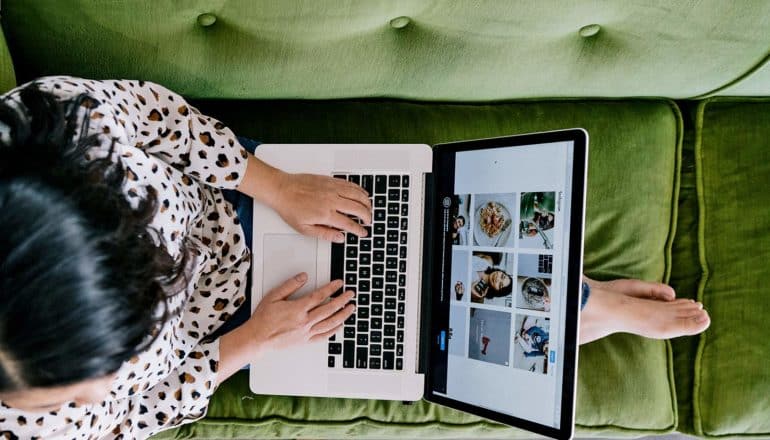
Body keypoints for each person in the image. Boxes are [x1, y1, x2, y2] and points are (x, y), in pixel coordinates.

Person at [0, 77, 711, 438]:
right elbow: (134, 418)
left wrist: (274, 182)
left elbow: (166, 120)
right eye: (65, 399)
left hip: (242, 208)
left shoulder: (64, 126)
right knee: (434, 333)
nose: (93, 399)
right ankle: (583, 307)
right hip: (235, 329)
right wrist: (249, 344)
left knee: (438, 235)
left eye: (93, 375)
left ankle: (582, 303)